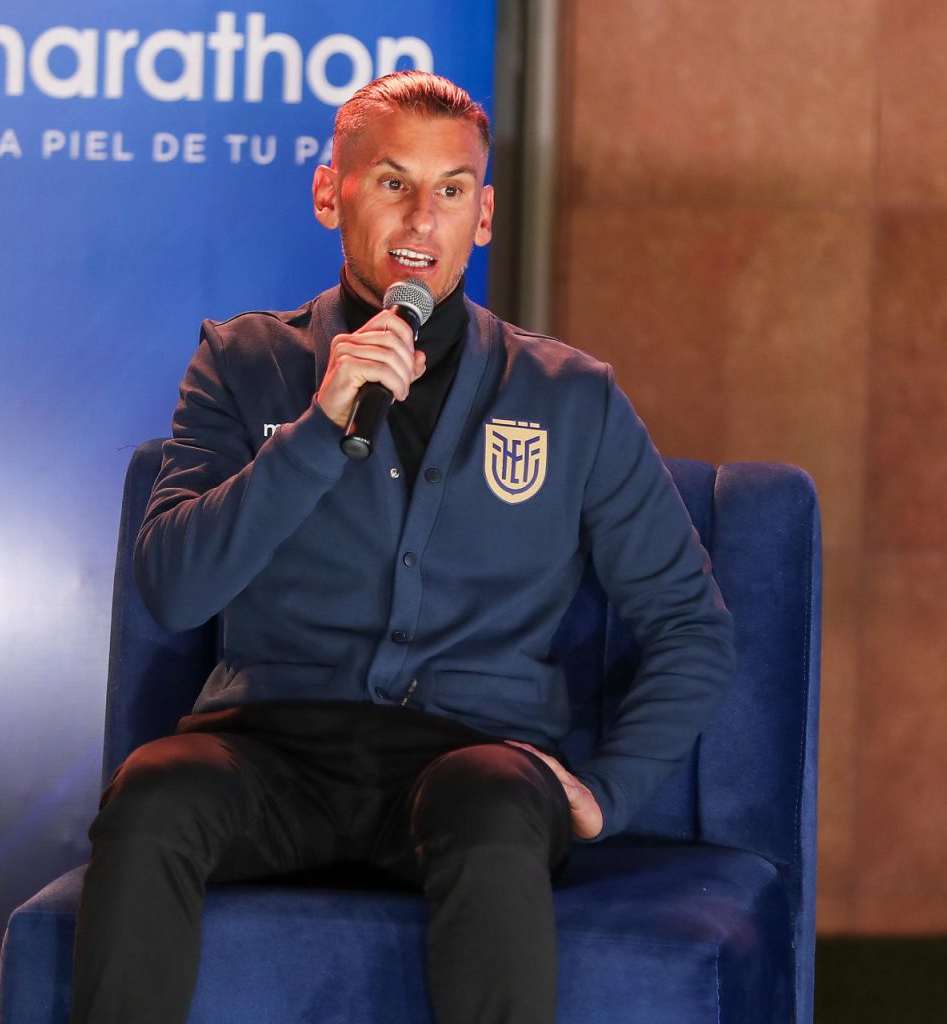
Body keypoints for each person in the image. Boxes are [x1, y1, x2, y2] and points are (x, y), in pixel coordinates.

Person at [71, 71, 735, 1024]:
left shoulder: (569, 396)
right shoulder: (243, 363)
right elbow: (172, 590)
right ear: (328, 193)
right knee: (155, 793)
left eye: (452, 189)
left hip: (468, 759)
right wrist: (317, 428)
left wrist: (605, 793)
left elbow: (690, 627)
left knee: (496, 798)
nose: (424, 219)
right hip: (270, 751)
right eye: (392, 183)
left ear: (486, 213)